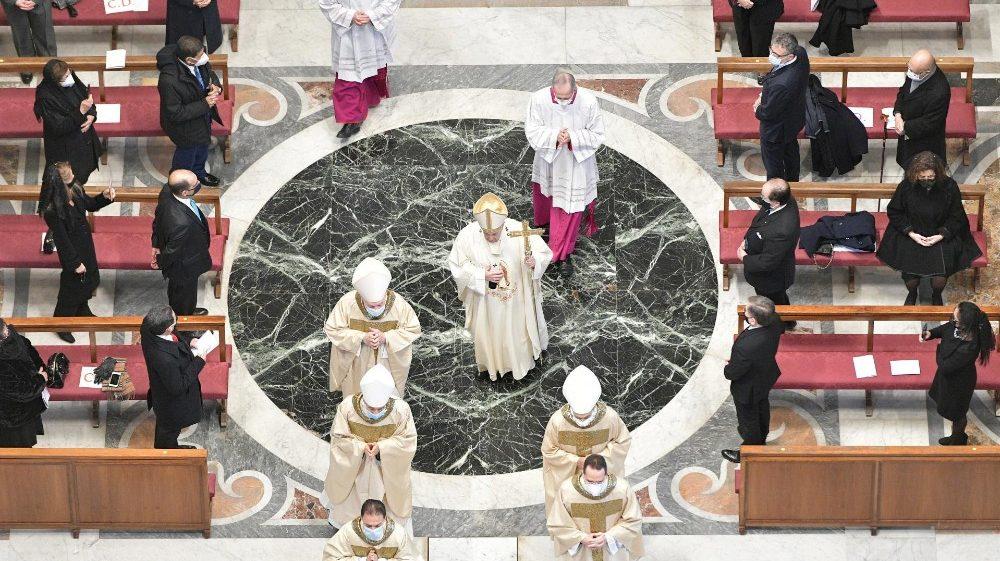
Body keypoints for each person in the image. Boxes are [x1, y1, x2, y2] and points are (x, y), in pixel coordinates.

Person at [447, 192, 552, 381]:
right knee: (491, 334)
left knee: (516, 335)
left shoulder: (519, 231)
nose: (491, 237)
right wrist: (482, 275)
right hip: (486, 303)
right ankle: (493, 366)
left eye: (495, 233)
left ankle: (519, 363)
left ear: (503, 225)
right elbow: (457, 265)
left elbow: (543, 252)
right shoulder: (467, 235)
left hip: (517, 301)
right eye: (486, 233)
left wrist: (534, 261)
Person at [525, 69, 605, 277]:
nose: (562, 102)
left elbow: (597, 133)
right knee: (545, 196)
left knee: (569, 208)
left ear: (575, 90)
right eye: (558, 98)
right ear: (552, 89)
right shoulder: (538, 99)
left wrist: (572, 138)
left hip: (575, 163)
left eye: (567, 98)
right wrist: (554, 137)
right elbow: (532, 129)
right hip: (549, 158)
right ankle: (543, 227)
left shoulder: (588, 101)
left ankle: (561, 253)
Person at [876, 152, 981, 306]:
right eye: (922, 178)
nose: (926, 181)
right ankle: (912, 293)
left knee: (939, 280)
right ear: (915, 174)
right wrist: (911, 233)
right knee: (911, 279)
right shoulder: (906, 186)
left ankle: (936, 295)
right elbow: (894, 211)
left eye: (930, 177)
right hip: (913, 233)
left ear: (937, 173)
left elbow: (957, 215)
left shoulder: (949, 186)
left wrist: (942, 235)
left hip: (940, 234)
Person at [324, 365, 417, 529]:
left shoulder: (401, 410)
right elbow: (338, 439)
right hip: (355, 469)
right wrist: (359, 448)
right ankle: (347, 527)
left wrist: (383, 447)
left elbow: (408, 441)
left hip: (384, 471)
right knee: (350, 508)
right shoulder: (347, 407)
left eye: (379, 408)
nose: (375, 411)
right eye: (370, 406)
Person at [324, 257, 421, 397]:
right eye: (371, 305)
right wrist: (361, 337)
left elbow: (413, 329)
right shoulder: (347, 302)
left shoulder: (399, 304)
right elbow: (332, 329)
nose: (376, 308)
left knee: (387, 401)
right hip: (357, 365)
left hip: (387, 364)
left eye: (379, 304)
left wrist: (386, 337)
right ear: (362, 297)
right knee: (356, 398)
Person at [541, 365, 631, 516]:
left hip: (599, 475)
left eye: (586, 415)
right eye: (578, 415)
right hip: (569, 477)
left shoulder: (609, 417)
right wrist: (575, 461)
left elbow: (622, 442)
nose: (582, 419)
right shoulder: (557, 421)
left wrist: (597, 460)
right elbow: (549, 450)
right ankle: (572, 536)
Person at [42, 163, 116, 343]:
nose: (74, 177)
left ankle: (82, 308)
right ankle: (61, 323)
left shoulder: (74, 187)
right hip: (72, 252)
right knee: (71, 287)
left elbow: (90, 204)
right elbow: (62, 240)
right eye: (70, 176)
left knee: (88, 279)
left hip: (85, 245)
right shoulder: (53, 209)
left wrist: (104, 197)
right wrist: (75, 263)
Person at [319, 0, 400, 139]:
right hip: (348, 33)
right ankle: (352, 118)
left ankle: (369, 97)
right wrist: (349, 15)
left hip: (375, 32)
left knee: (372, 68)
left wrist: (373, 15)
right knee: (349, 76)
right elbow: (327, 2)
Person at [720, 296, 783, 464]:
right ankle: (762, 433)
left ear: (753, 321)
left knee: (748, 418)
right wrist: (742, 361)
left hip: (748, 387)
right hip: (765, 374)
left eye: (746, 313)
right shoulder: (775, 320)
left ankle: (751, 450)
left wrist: (732, 365)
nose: (744, 313)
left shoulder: (746, 347)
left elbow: (732, 374)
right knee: (762, 405)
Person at [922, 302, 995, 446]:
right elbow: (947, 328)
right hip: (948, 378)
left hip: (959, 383)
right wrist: (932, 333)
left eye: (955, 320)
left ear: (965, 324)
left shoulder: (969, 346)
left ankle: (958, 440)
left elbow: (945, 366)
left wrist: (939, 348)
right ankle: (955, 436)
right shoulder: (958, 326)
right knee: (952, 410)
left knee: (958, 414)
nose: (952, 322)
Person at [547, 454, 644, 561]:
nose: (594, 485)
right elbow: (557, 523)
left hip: (611, 552)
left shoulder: (622, 488)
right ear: (583, 473)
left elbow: (633, 520)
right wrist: (581, 538)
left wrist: (609, 537)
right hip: (582, 552)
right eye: (590, 481)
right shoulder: (566, 490)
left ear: (606, 474)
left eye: (599, 481)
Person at [140, 306, 212, 449]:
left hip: (163, 389)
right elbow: (177, 386)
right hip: (171, 404)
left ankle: (168, 447)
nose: (176, 324)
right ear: (167, 328)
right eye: (175, 322)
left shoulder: (148, 327)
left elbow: (173, 336)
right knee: (169, 430)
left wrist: (188, 340)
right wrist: (199, 361)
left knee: (165, 430)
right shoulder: (164, 358)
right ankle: (169, 455)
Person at [156, 35, 224, 188]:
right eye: (201, 56)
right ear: (189, 60)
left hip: (202, 117)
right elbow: (175, 113)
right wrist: (205, 103)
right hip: (184, 127)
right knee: (186, 155)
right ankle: (181, 184)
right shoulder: (169, 81)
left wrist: (216, 86)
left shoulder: (198, 60)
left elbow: (210, 74)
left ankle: (199, 172)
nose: (205, 57)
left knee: (203, 145)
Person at [151, 169, 213, 316]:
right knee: (185, 293)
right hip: (185, 264)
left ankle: (184, 309)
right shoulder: (181, 223)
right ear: (185, 192)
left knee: (178, 290)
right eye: (196, 184)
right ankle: (185, 321)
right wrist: (159, 261)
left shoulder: (167, 191)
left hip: (183, 258)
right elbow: (172, 251)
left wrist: (155, 244)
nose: (199, 183)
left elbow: (157, 220)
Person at [33, 59, 102, 187]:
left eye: (69, 73)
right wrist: (81, 111)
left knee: (84, 172)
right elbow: (59, 128)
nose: (69, 77)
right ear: (55, 82)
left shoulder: (69, 77)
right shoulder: (45, 98)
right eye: (65, 77)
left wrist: (91, 114)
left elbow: (86, 96)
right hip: (66, 149)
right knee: (70, 183)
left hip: (85, 141)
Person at [737, 178, 800, 316]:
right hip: (763, 259)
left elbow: (768, 262)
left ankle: (785, 325)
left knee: (774, 305)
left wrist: (744, 257)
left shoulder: (782, 230)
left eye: (763, 197)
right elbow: (761, 220)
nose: (761, 198)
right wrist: (747, 239)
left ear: (776, 203)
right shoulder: (784, 199)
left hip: (771, 279)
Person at [754, 32, 809, 182]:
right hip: (793, 119)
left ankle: (776, 192)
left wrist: (757, 107)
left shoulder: (782, 84)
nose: (772, 56)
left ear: (790, 57)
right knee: (790, 151)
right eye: (771, 51)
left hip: (775, 131)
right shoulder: (801, 53)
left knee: (773, 165)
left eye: (777, 55)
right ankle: (792, 180)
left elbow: (766, 113)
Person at [893, 49, 950, 169]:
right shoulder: (916, 72)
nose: (909, 73)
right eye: (909, 68)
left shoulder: (939, 91)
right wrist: (897, 114)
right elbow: (903, 92)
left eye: (913, 71)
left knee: (921, 170)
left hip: (924, 141)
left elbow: (930, 122)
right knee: (907, 163)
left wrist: (905, 127)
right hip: (907, 132)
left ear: (927, 71)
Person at [0, 318, 48, 448]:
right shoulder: (14, 337)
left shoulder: (13, 338)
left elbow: (32, 354)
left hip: (17, 412)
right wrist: (41, 378)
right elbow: (22, 391)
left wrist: (40, 374)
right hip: (13, 415)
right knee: (17, 451)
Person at [322, 499, 418, 561]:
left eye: (377, 525)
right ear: (361, 518)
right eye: (368, 525)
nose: (372, 529)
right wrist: (362, 560)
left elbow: (411, 558)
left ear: (385, 518)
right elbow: (330, 557)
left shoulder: (398, 534)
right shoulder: (348, 531)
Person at [1, 0, 56, 84]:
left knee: (44, 33)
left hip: (42, 2)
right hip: (13, 5)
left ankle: (49, 63)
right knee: (21, 35)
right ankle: (26, 65)